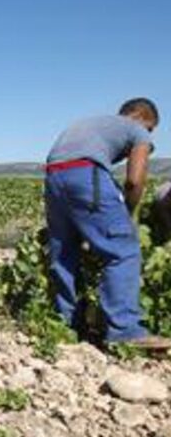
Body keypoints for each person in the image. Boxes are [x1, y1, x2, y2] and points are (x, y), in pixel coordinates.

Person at [44, 98, 171, 349]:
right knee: (123, 249)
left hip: (52, 175)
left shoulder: (90, 124)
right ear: (142, 118)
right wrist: (127, 214)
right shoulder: (136, 129)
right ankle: (125, 330)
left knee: (65, 253)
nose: (149, 135)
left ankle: (65, 326)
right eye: (151, 129)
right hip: (85, 173)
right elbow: (135, 181)